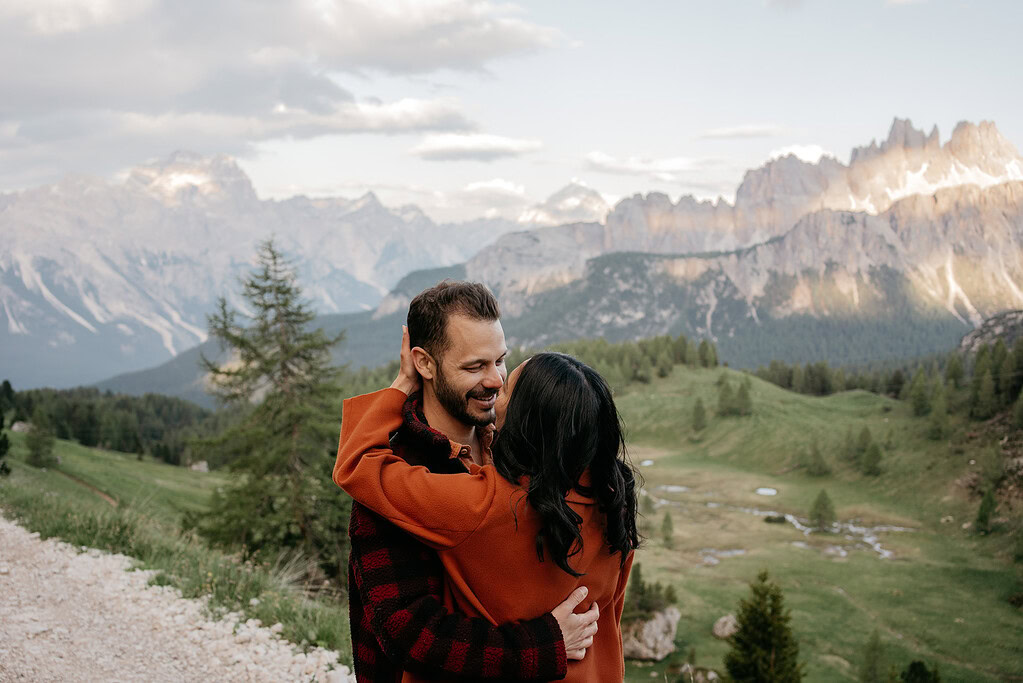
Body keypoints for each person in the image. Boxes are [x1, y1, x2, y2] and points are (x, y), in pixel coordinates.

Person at [334, 328, 640, 681]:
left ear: (526, 419)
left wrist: (403, 384)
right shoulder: (614, 505)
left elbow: (357, 465)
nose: (495, 385)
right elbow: (609, 625)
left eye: (506, 383)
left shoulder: (481, 504)